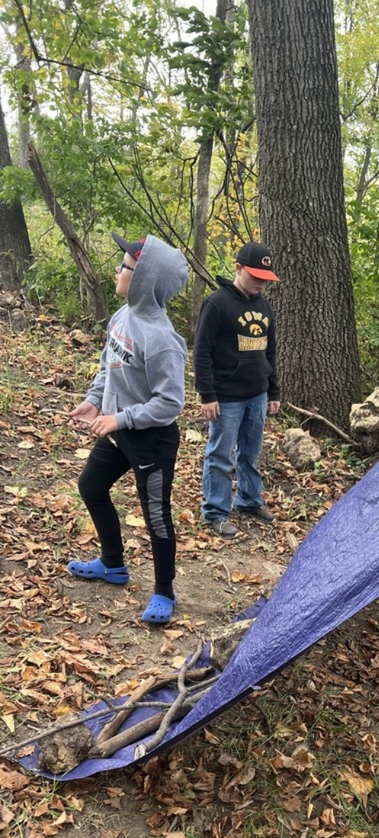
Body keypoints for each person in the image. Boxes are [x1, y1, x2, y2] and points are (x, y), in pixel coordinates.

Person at [67, 233, 188, 626]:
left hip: (150, 438)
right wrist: (94, 400)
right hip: (117, 429)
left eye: (125, 266)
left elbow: (170, 403)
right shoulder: (122, 317)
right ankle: (113, 564)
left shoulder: (162, 340)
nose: (117, 270)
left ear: (142, 280)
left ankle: (164, 592)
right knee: (91, 486)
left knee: (155, 516)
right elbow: (108, 366)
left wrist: (120, 419)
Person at [193, 241, 281, 538]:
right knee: (220, 455)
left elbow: (269, 352)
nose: (260, 284)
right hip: (226, 396)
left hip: (256, 394)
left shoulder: (264, 306)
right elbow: (201, 351)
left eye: (265, 279)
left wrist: (273, 392)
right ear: (238, 268)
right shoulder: (216, 304)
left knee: (250, 452)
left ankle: (249, 499)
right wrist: (207, 394)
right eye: (255, 276)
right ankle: (216, 512)